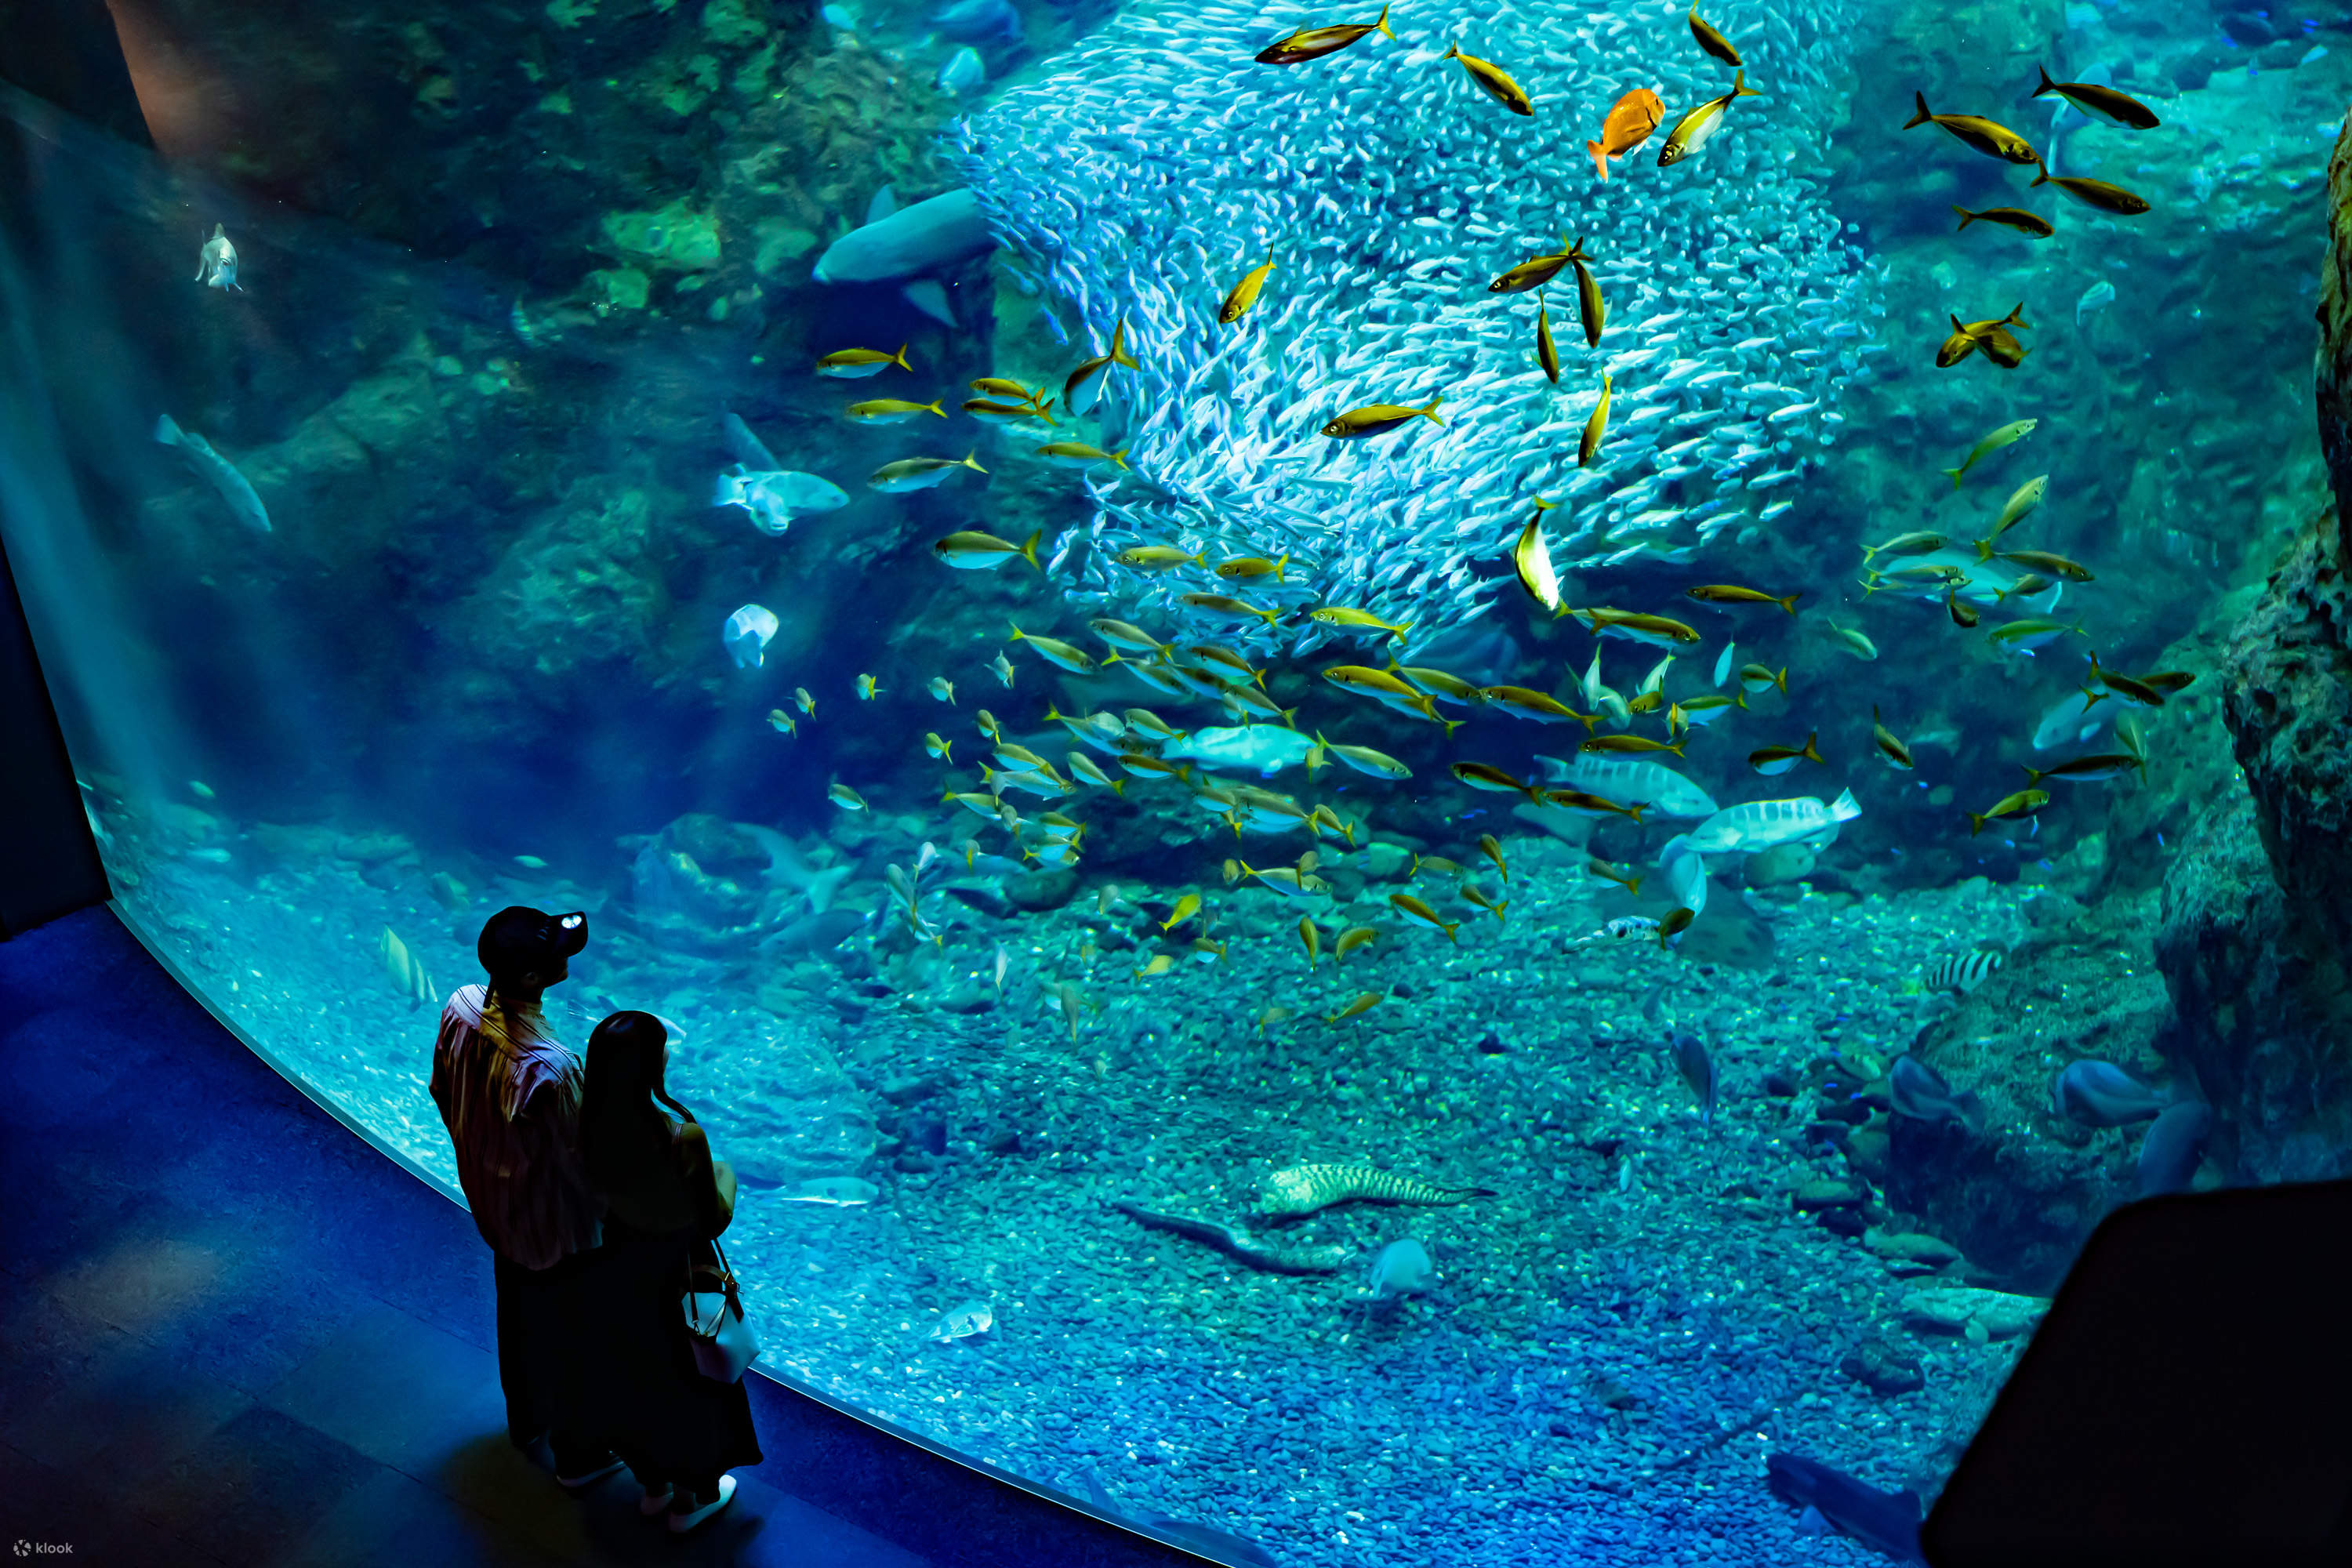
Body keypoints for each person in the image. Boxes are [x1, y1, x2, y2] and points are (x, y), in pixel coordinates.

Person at [428, 906, 621, 1490]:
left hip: (495, 1207)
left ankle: (526, 1420)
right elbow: (580, 1163)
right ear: (535, 980)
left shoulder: (460, 1005)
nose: (567, 952)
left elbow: (441, 1087)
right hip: (554, 1227)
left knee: (517, 1315)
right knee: (575, 1335)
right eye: (556, 952)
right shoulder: (552, 1069)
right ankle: (580, 1456)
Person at [576, 1009, 763, 1533]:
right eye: (662, 1047)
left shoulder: (586, 1119)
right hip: (673, 1278)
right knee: (692, 1386)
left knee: (634, 1378)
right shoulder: (682, 1137)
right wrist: (725, 1174)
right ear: (648, 1066)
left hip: (614, 1269)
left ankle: (653, 1487)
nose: (668, 1053)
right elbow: (711, 1218)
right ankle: (693, 1500)